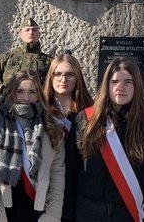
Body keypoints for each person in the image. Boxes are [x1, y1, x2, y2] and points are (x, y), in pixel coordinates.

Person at [67, 57, 144, 221]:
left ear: (137, 86)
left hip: (128, 213)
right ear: (107, 85)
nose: (120, 88)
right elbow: (71, 171)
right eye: (114, 82)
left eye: (128, 82)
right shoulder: (85, 120)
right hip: (87, 211)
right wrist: (68, 214)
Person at [0, 70, 65, 222]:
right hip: (3, 203)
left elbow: (57, 173)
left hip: (37, 205)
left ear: (39, 95)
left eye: (32, 92)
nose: (26, 98)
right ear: (11, 92)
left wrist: (53, 215)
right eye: (20, 91)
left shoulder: (51, 127)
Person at [40, 51, 94, 222]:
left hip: (79, 189)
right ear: (51, 76)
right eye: (58, 74)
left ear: (77, 77)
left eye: (69, 74)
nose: (63, 79)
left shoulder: (91, 111)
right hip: (47, 189)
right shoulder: (40, 109)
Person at [0, 18, 52, 99]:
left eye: (34, 30)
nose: (31, 32)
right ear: (20, 34)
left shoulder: (49, 62)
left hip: (37, 107)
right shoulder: (7, 57)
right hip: (9, 105)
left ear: (39, 34)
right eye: (27, 30)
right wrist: (2, 89)